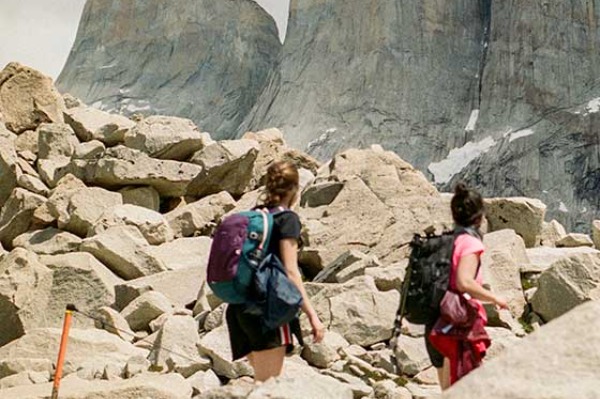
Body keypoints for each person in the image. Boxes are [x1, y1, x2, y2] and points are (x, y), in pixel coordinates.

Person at [225, 160, 325, 382]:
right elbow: (291, 272)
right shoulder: (287, 219)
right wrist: (313, 316)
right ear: (294, 189)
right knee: (268, 387)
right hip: (267, 312)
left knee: (261, 385)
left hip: (239, 310)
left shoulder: (257, 216)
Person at [426, 182, 508, 389]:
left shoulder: (446, 240)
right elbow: (464, 282)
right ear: (479, 217)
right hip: (456, 322)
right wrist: (494, 298)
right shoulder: (470, 243)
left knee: (447, 388)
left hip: (435, 318)